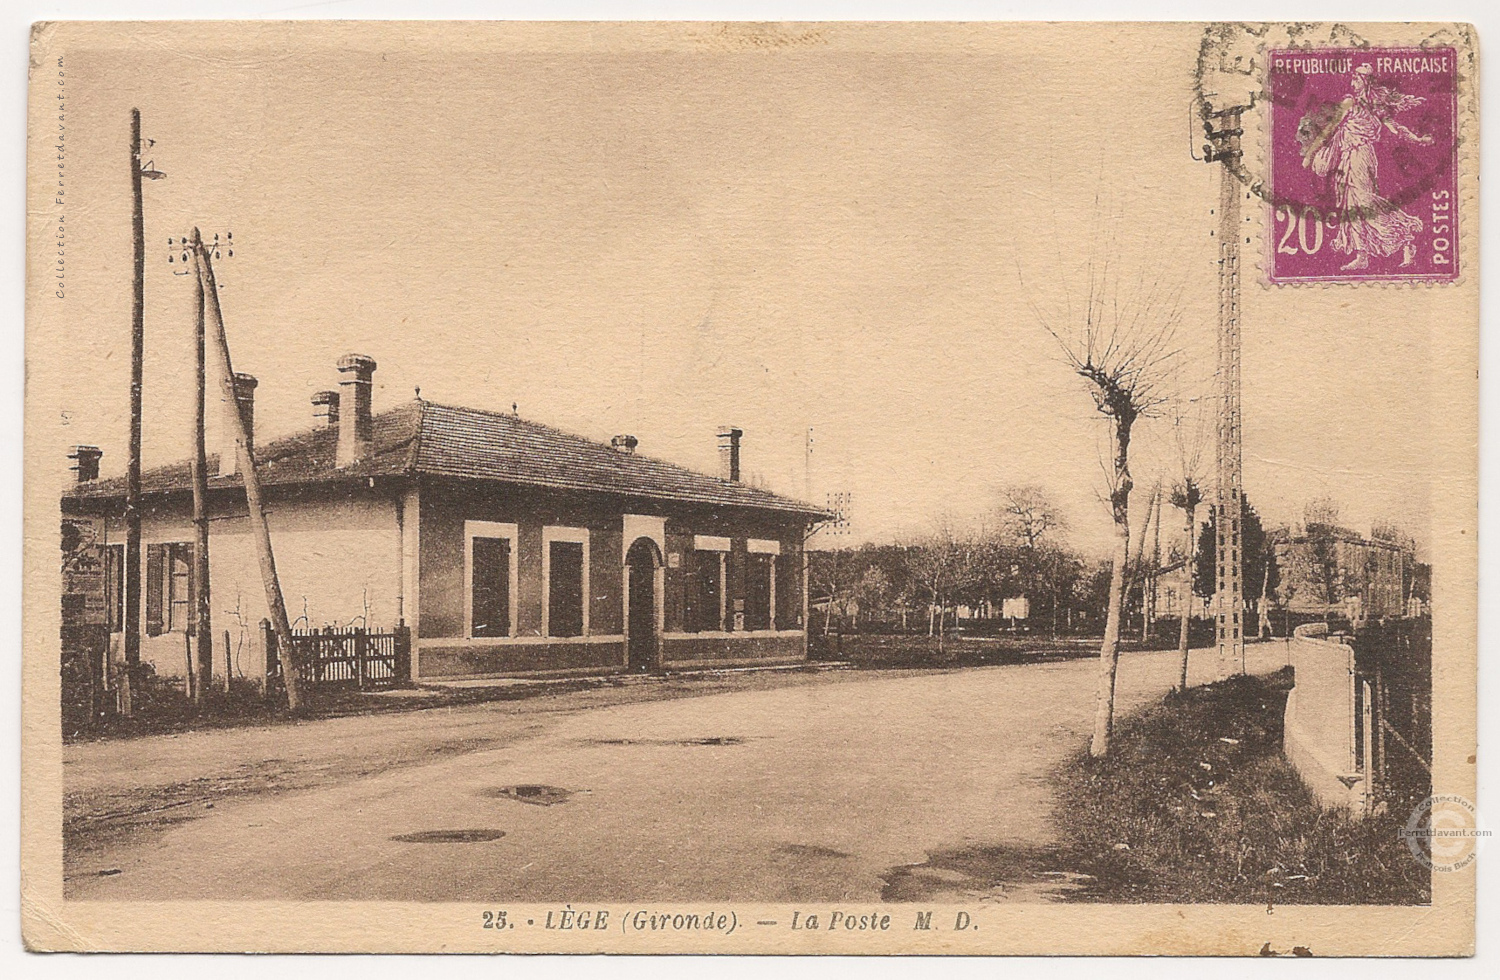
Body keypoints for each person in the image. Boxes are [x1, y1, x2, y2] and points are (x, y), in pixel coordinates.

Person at [1302, 63, 1434, 271]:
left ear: (1364, 81)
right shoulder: (1349, 103)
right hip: (1347, 158)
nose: (1352, 82)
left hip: (1362, 156)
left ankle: (1405, 237)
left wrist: (1418, 139)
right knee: (1351, 205)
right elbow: (1330, 129)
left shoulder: (1375, 108)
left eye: (1355, 78)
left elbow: (1395, 128)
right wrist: (1311, 153)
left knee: (1365, 202)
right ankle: (1362, 255)